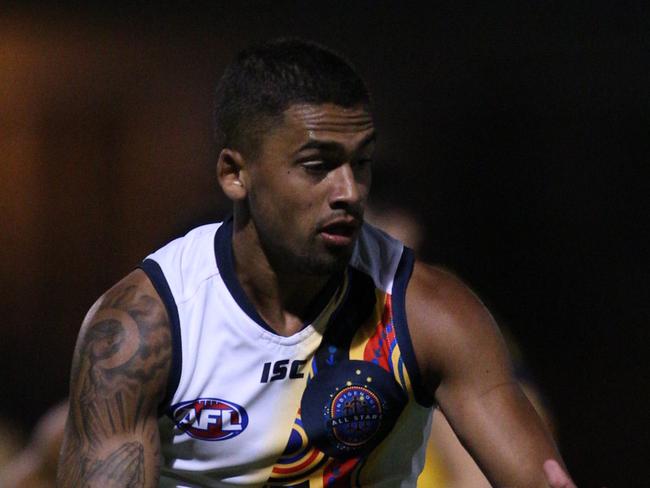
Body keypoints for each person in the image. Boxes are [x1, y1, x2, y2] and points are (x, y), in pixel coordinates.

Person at [57, 38, 575, 487]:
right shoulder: (143, 331)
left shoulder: (428, 313)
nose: (349, 192)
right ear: (235, 174)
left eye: (361, 163)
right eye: (317, 165)